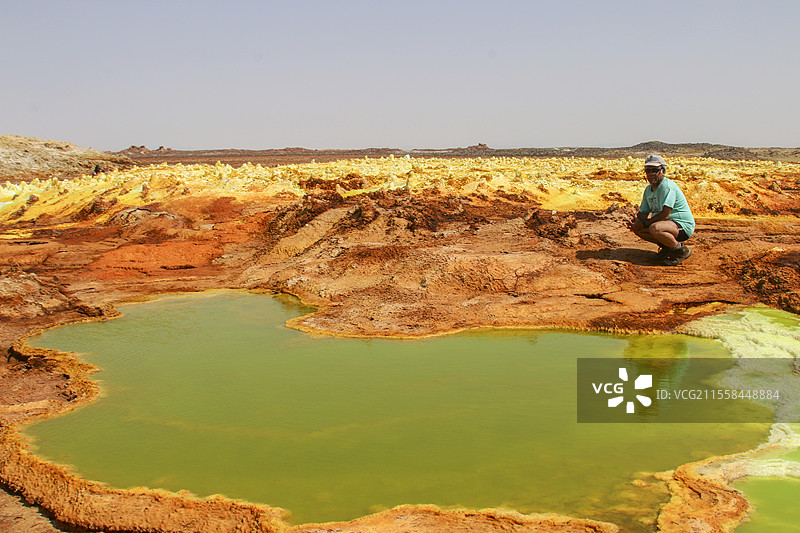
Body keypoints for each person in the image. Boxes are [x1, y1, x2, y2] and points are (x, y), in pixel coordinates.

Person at [629, 154, 695, 266]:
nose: (650, 174)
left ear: (663, 171)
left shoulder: (667, 187)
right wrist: (636, 223)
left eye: (655, 170)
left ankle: (680, 250)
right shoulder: (649, 190)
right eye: (648, 171)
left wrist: (644, 224)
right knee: (639, 228)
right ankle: (667, 248)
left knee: (655, 228)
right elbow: (644, 212)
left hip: (682, 226)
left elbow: (665, 215)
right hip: (667, 225)